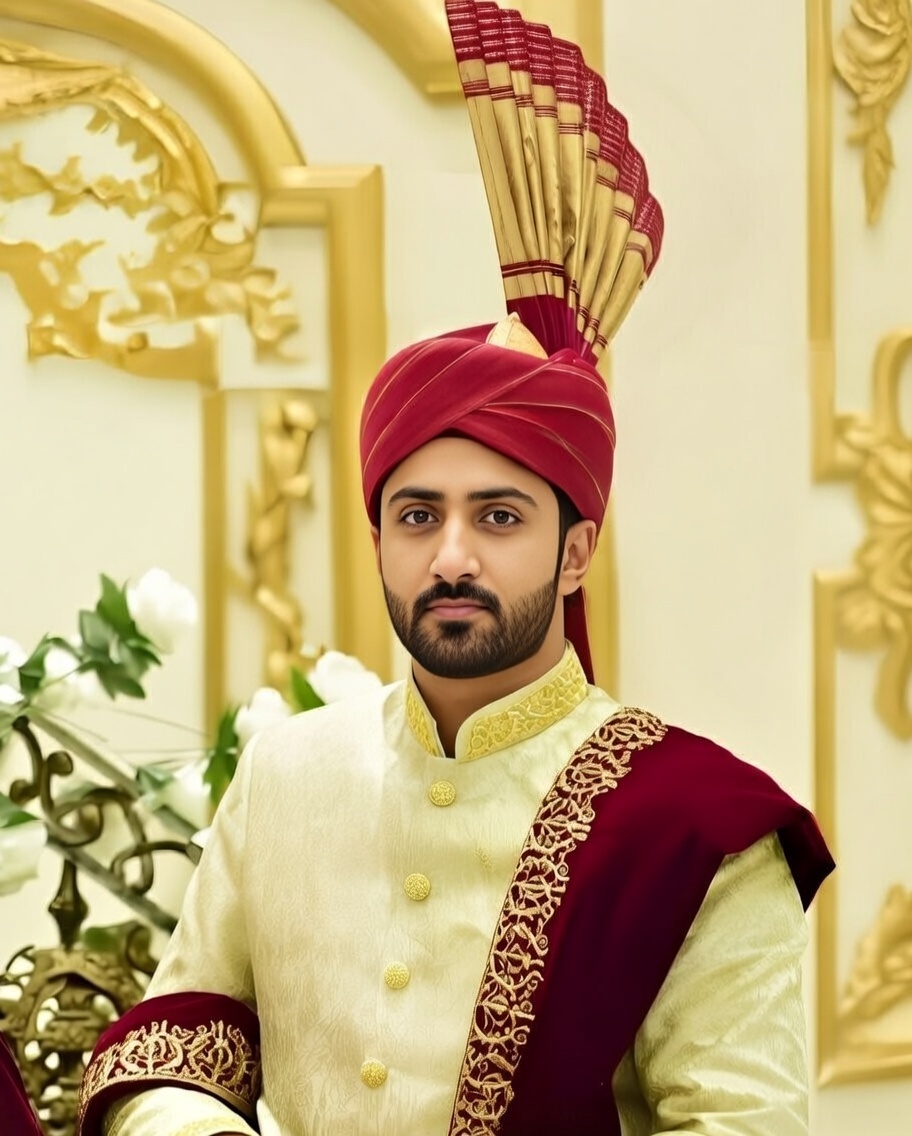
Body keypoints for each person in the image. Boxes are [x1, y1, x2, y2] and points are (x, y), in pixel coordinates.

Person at [77, 2, 834, 1134]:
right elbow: (183, 1035)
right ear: (376, 535)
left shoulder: (695, 828)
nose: (454, 555)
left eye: (500, 515)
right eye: (418, 514)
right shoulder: (287, 771)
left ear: (577, 549)